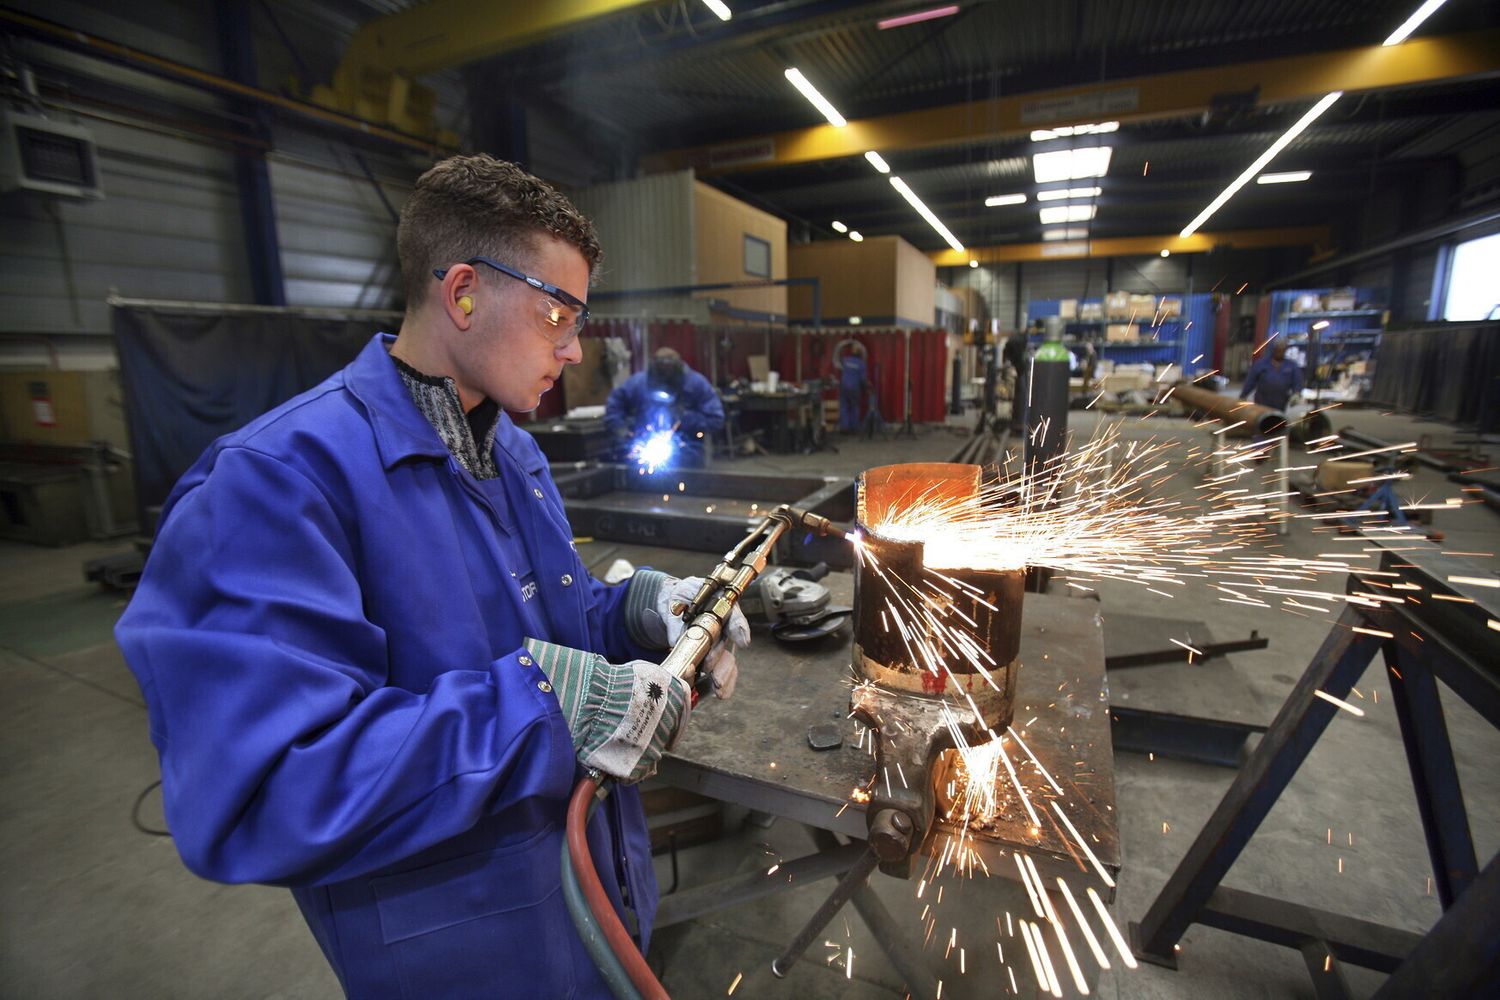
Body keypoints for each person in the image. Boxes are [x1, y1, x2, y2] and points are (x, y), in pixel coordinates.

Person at [114, 154, 748, 999]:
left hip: (596, 914)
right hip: (471, 961)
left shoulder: (511, 451)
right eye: (557, 311)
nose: (574, 345)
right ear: (462, 294)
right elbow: (262, 789)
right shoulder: (274, 484)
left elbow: (534, 634)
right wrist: (548, 707)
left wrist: (631, 614)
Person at [604, 347, 723, 466]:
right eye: (661, 370)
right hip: (644, 450)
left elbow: (716, 419)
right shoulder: (638, 383)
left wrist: (686, 419)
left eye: (669, 370)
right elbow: (614, 406)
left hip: (687, 454)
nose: (665, 374)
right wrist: (621, 429)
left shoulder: (696, 383)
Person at [1240, 340, 1304, 413]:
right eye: (1278, 350)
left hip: (1280, 401)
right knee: (1261, 419)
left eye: (1282, 350)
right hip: (1262, 400)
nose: (1280, 353)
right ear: (1274, 350)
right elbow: (1250, 381)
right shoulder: (1261, 364)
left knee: (1276, 420)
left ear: (1285, 351)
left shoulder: (1291, 366)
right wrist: (1243, 396)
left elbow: (1297, 381)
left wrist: (1296, 393)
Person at [837, 348, 867, 432]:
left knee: (844, 406)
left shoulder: (845, 360)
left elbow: (839, 365)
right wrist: (865, 388)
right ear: (860, 355)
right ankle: (854, 427)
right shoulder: (861, 364)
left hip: (843, 386)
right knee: (855, 406)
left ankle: (844, 427)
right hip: (854, 388)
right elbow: (863, 379)